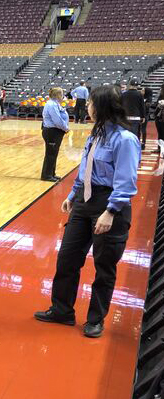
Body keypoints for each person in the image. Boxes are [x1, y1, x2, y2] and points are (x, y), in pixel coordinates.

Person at [34, 84, 140, 338]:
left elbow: (126, 181)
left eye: (91, 103)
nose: (88, 107)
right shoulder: (96, 134)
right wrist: (72, 195)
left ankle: (95, 319)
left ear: (102, 106)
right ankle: (62, 310)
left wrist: (111, 211)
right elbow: (86, 169)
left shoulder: (125, 140)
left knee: (105, 266)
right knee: (67, 257)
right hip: (84, 200)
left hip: (109, 203)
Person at [40, 87, 70, 182]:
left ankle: (52, 173)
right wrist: (65, 128)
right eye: (62, 94)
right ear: (57, 95)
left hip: (55, 131)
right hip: (52, 131)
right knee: (51, 154)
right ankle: (46, 175)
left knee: (54, 153)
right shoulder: (52, 105)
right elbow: (57, 120)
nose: (63, 96)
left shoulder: (55, 104)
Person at [122, 78, 145, 145]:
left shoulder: (124, 94)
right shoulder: (139, 94)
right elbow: (142, 106)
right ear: (137, 86)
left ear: (129, 85)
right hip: (136, 117)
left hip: (125, 117)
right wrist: (143, 116)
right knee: (134, 134)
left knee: (125, 133)